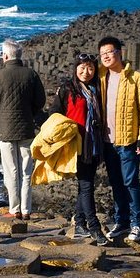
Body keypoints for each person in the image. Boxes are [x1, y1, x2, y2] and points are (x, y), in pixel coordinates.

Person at [98, 37, 140, 241]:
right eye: (102, 53)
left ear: (119, 53)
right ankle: (121, 222)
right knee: (116, 182)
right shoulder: (100, 77)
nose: (105, 56)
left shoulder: (137, 79)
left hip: (128, 140)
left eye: (109, 52)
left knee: (131, 182)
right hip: (107, 141)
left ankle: (137, 224)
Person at [49, 54, 108, 246]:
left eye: (90, 68)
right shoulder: (67, 89)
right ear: (75, 68)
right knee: (86, 186)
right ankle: (94, 227)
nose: (86, 72)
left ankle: (80, 224)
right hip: (77, 144)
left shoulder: (96, 88)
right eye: (82, 67)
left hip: (94, 143)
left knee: (86, 184)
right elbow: (54, 114)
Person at [0, 39, 45, 221]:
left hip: (5, 129)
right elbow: (40, 101)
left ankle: (14, 209)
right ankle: (26, 210)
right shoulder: (31, 74)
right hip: (26, 127)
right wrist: (30, 113)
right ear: (19, 55)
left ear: (5, 56)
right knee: (26, 171)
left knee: (11, 170)